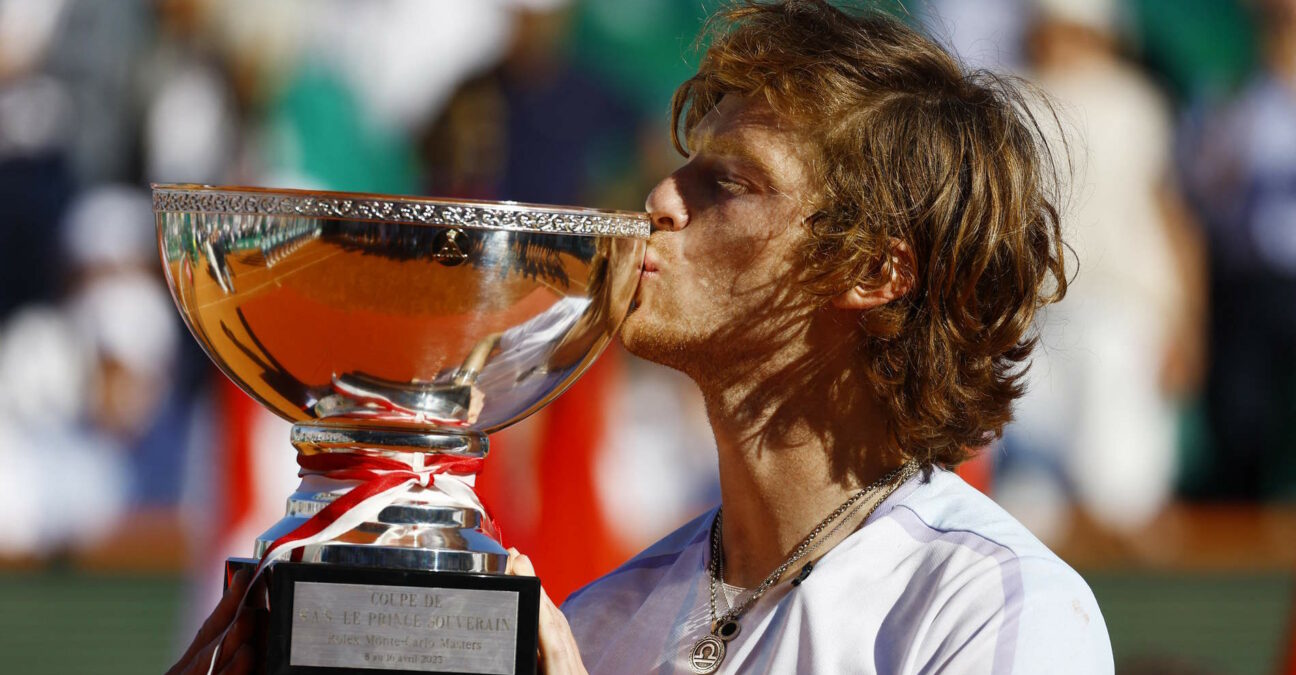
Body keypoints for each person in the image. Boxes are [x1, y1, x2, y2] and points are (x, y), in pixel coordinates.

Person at [171, 1, 1113, 673]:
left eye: (731, 183)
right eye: (682, 168)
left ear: (873, 272)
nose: (661, 201)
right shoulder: (605, 618)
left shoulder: (995, 609)